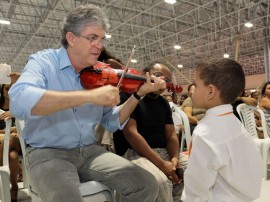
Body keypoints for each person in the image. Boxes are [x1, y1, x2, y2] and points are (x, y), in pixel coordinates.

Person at [8, 4, 167, 202]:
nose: (99, 46)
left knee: (146, 184)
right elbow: (19, 100)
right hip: (48, 152)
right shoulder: (43, 62)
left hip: (90, 151)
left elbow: (111, 121)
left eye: (102, 39)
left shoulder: (98, 72)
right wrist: (89, 97)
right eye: (93, 38)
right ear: (71, 38)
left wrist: (138, 95)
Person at [182, 58, 263, 201]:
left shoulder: (204, 133)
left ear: (211, 91)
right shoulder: (234, 123)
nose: (192, 90)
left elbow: (196, 189)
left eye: (196, 85)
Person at [122, 63, 184, 202]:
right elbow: (131, 134)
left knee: (192, 169)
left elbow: (171, 135)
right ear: (145, 73)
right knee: (160, 181)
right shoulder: (129, 96)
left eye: (166, 80)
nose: (162, 81)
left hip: (162, 151)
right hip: (136, 153)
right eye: (157, 75)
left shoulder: (162, 102)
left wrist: (174, 157)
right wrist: (161, 164)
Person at [0, 78, 22, 202]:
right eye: (7, 89)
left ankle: (2, 180)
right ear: (2, 91)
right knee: (12, 156)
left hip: (17, 140)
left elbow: (26, 126)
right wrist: (7, 132)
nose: (9, 92)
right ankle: (14, 188)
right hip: (4, 140)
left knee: (10, 140)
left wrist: (13, 131)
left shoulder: (21, 105)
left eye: (12, 88)